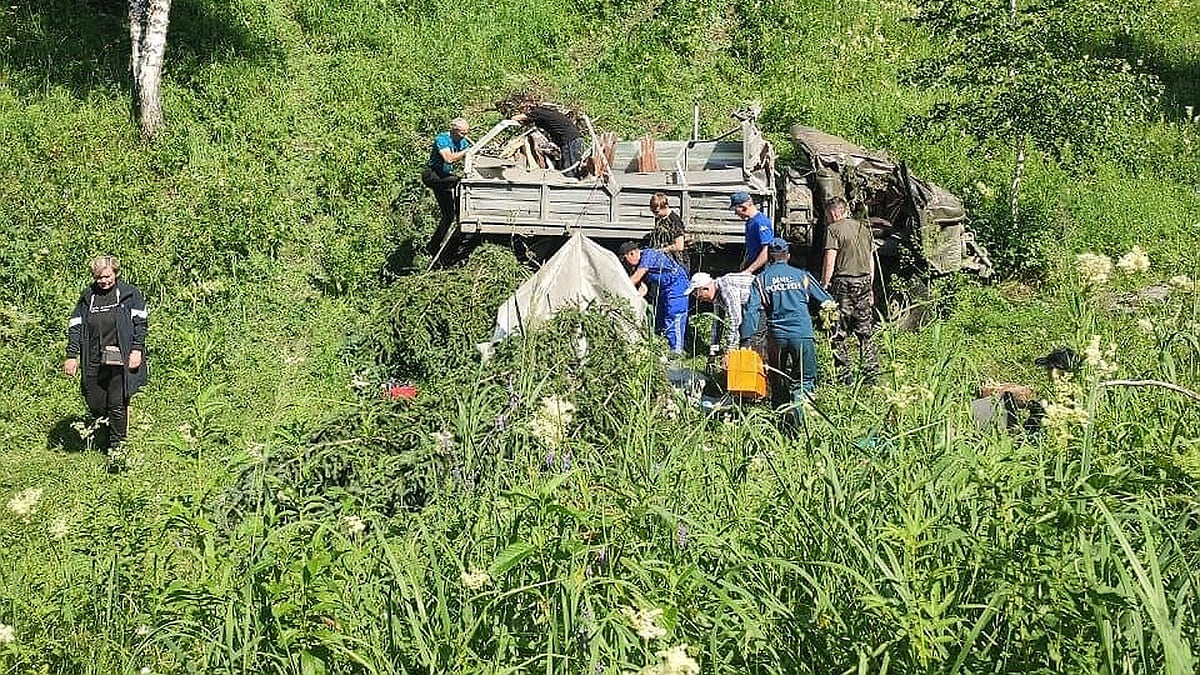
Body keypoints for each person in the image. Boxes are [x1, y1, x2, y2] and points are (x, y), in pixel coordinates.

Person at [64, 255, 148, 457]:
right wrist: (72, 355)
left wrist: (136, 349)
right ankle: (107, 429)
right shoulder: (88, 296)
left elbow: (141, 323)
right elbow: (75, 326)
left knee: (116, 403)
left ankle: (118, 449)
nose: (104, 281)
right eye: (99, 277)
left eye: (107, 276)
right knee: (95, 400)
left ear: (115, 273)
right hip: (93, 356)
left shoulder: (129, 293)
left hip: (120, 357)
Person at [740, 238, 833, 411]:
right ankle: (800, 415)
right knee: (804, 380)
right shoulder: (803, 276)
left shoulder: (760, 280)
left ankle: (781, 414)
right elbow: (826, 301)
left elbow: (751, 311)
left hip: (776, 337)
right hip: (802, 334)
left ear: (769, 257)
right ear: (788, 256)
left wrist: (746, 340)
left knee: (778, 378)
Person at [821, 196, 880, 384]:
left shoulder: (833, 229)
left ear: (833, 213)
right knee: (865, 330)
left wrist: (824, 283)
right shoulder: (864, 229)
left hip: (843, 284)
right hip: (864, 281)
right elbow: (870, 260)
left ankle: (844, 375)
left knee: (838, 331)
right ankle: (871, 373)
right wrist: (870, 286)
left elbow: (830, 259)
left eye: (827, 216)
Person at [619, 242, 690, 354]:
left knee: (674, 316)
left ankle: (676, 352)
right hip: (664, 287)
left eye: (625, 260)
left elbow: (636, 278)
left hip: (677, 285)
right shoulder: (638, 264)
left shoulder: (649, 255)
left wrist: (619, 289)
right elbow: (643, 288)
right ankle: (663, 348)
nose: (626, 264)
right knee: (660, 317)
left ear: (632, 253)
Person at [421, 117, 472, 258]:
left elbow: (469, 155)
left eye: (466, 133)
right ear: (453, 130)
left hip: (443, 178)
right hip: (433, 175)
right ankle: (464, 210)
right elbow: (449, 159)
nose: (465, 136)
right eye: (462, 133)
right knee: (459, 181)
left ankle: (433, 246)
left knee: (448, 215)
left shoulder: (462, 141)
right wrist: (467, 151)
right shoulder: (442, 139)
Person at [686, 271, 754, 356]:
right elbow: (717, 322)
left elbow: (735, 319)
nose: (701, 300)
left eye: (700, 296)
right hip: (752, 307)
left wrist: (730, 348)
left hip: (763, 300)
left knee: (750, 338)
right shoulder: (717, 296)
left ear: (706, 289)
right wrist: (713, 349)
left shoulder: (726, 288)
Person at [512, 102, 584, 172]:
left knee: (570, 167)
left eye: (522, 111)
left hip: (570, 140)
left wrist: (518, 117)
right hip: (572, 139)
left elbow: (515, 118)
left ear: (528, 109)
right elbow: (530, 122)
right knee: (572, 166)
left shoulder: (537, 112)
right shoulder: (544, 113)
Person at [730, 191, 772, 274]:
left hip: (761, 271)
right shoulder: (750, 222)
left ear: (743, 207)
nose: (735, 213)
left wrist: (749, 270)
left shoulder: (761, 222)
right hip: (753, 268)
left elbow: (767, 251)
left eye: (735, 209)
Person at [645, 192, 688, 272]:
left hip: (677, 262)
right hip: (664, 260)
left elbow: (679, 246)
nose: (655, 215)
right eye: (653, 212)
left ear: (666, 206)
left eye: (657, 212)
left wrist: (662, 250)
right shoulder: (659, 218)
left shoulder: (674, 221)